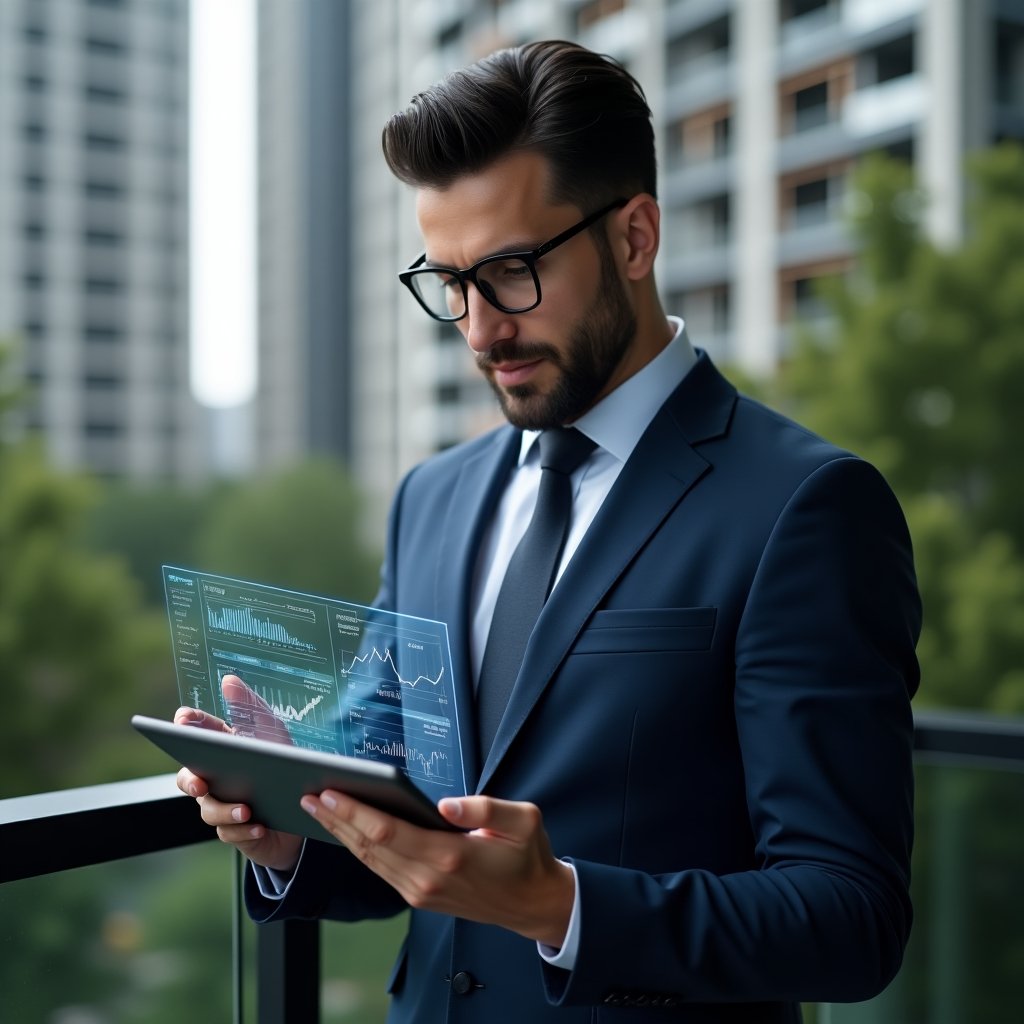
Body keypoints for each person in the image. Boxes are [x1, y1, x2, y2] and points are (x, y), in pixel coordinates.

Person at [175, 39, 921, 1022]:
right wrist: (287, 829)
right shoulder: (430, 499)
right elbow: (405, 833)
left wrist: (560, 904)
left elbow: (847, 918)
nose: (480, 329)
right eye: (449, 283)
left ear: (634, 238)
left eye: (512, 271)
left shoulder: (805, 507)